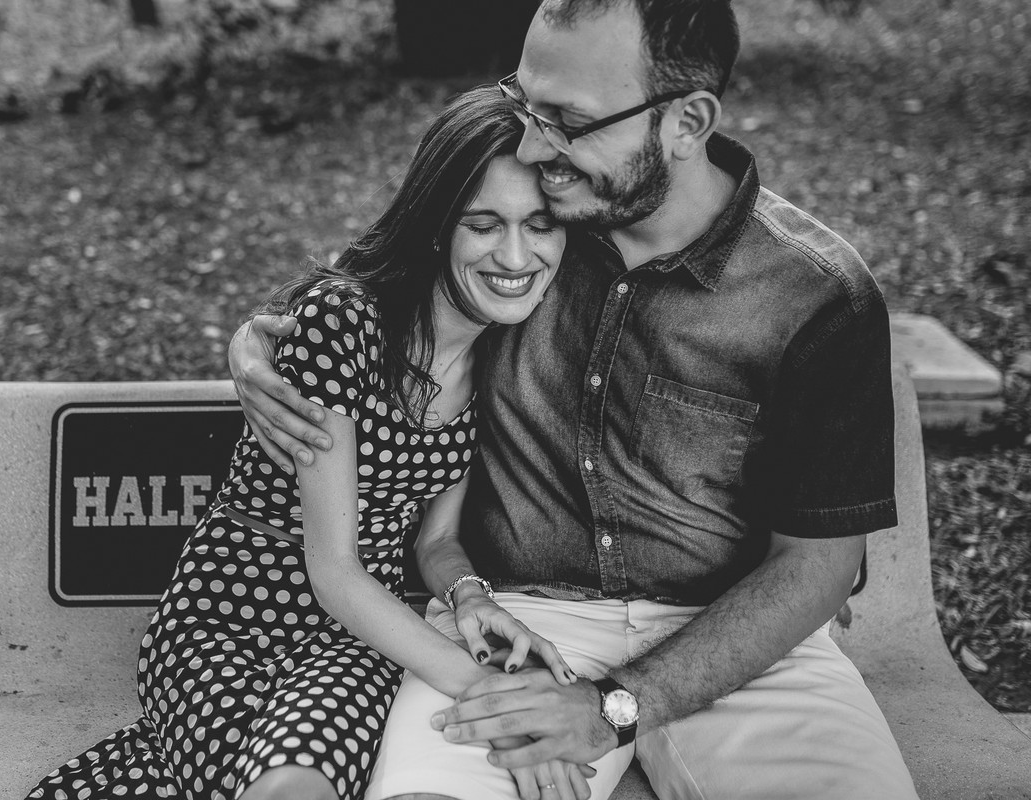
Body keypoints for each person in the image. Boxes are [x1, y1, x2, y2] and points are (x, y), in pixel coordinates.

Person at [226, 1, 921, 799]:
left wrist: (615, 707)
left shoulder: (816, 297)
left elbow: (818, 568)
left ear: (686, 122)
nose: (530, 143)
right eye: (526, 104)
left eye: (566, 119)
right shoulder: (528, 215)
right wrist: (256, 344)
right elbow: (371, 288)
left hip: (737, 639)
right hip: (518, 624)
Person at [24, 86, 594, 800]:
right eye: (483, 224)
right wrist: (501, 705)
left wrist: (472, 598)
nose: (515, 253)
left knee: (298, 782)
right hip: (226, 611)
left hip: (357, 635)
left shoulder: (503, 357)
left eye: (540, 224)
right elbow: (334, 569)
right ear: (439, 225)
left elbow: (435, 541)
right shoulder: (344, 324)